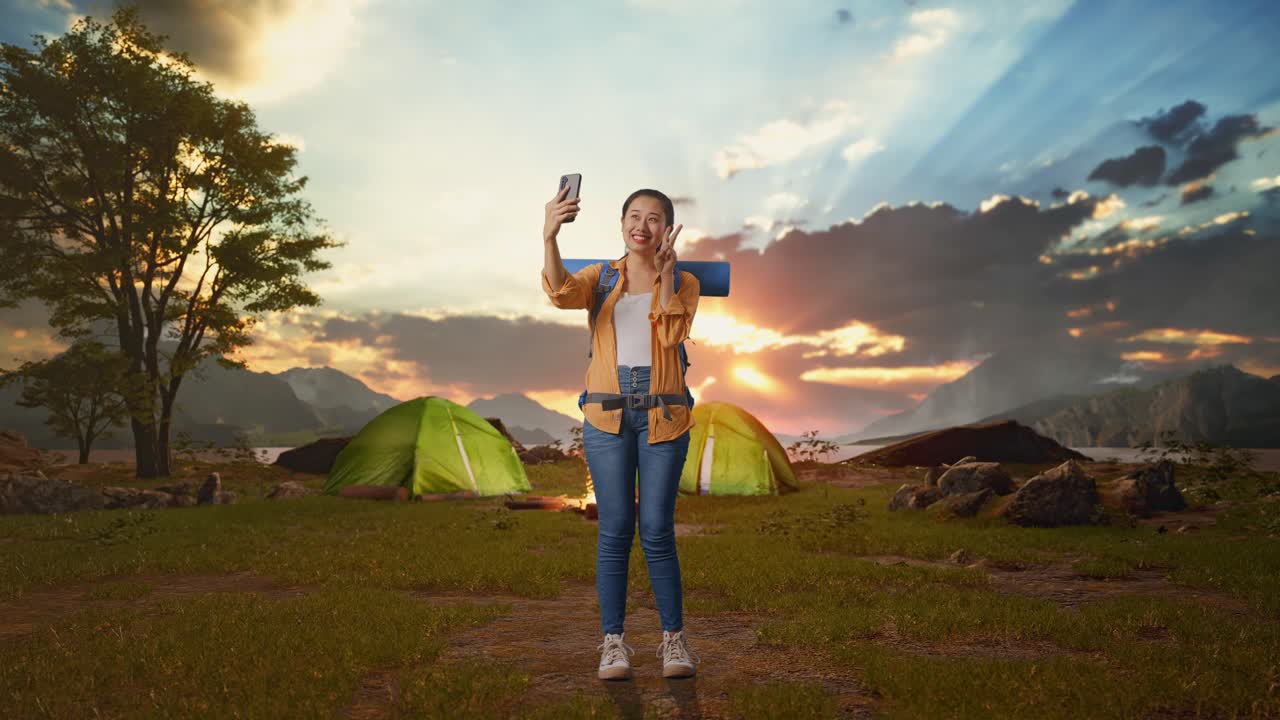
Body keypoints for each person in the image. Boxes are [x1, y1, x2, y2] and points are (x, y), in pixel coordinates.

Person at [541, 184, 702, 681]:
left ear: (667, 228)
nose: (642, 225)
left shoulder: (685, 282)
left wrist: (666, 274)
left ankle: (673, 641)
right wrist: (549, 236)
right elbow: (560, 293)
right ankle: (613, 644)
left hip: (664, 416)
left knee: (656, 530)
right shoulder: (601, 277)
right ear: (622, 224)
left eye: (653, 218)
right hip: (605, 417)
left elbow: (672, 334)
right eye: (634, 216)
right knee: (614, 530)